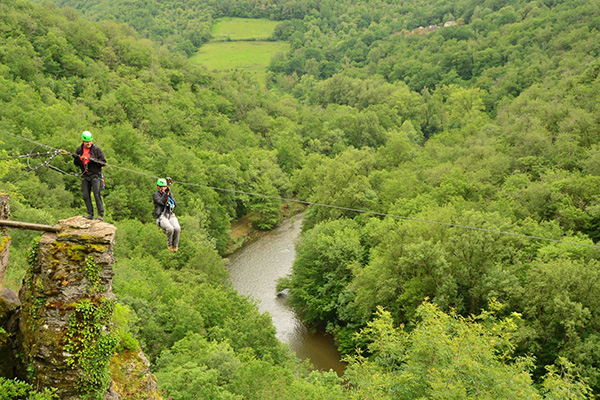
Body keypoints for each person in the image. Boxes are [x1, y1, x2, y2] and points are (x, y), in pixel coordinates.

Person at [73, 131, 106, 221]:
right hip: (85, 175)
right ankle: (90, 214)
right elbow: (76, 164)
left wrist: (93, 160)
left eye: (90, 141)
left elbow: (104, 162)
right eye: (87, 142)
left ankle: (100, 215)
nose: (89, 143)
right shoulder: (79, 150)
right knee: (85, 195)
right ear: (83, 141)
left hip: (95, 175)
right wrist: (77, 159)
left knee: (96, 194)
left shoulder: (96, 150)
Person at [153, 178, 181, 252]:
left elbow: (175, 203)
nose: (164, 188)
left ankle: (175, 246)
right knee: (170, 228)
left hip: (170, 214)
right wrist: (165, 195)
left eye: (165, 187)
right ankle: (169, 245)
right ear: (159, 187)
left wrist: (169, 197)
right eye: (163, 187)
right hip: (161, 216)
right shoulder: (156, 195)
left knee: (177, 228)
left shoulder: (169, 193)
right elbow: (161, 202)